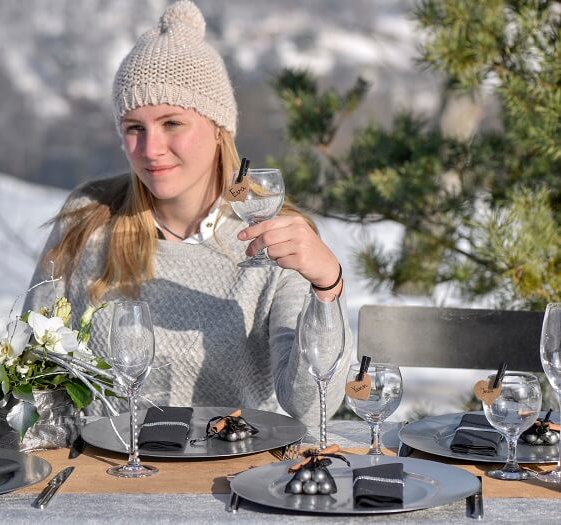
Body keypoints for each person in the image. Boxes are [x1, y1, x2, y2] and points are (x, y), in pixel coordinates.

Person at [24, 0, 351, 427]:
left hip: (237, 476)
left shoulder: (276, 236)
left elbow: (310, 405)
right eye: (134, 128)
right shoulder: (88, 220)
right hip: (108, 472)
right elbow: (33, 366)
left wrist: (327, 287)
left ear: (219, 129)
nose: (151, 149)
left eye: (172, 123)